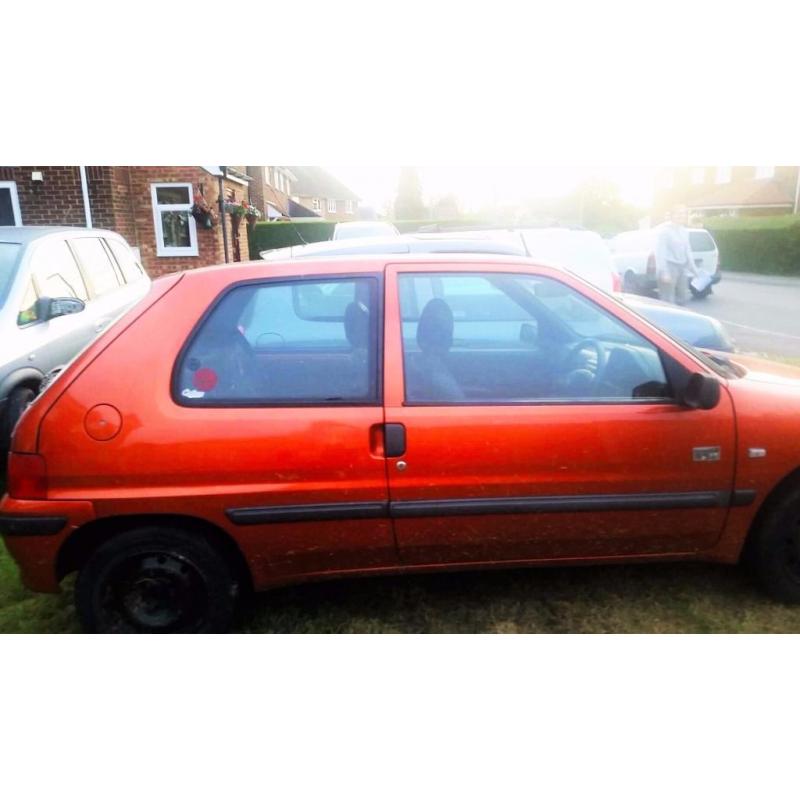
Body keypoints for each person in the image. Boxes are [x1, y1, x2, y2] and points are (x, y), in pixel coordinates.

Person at [654, 205, 697, 305]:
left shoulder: (684, 231)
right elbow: (661, 252)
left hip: (682, 268)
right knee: (667, 300)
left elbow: (688, 251)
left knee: (682, 298)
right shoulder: (665, 231)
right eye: (679, 213)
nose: (682, 216)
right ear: (672, 215)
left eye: (684, 213)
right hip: (669, 267)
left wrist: (694, 270)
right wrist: (664, 272)